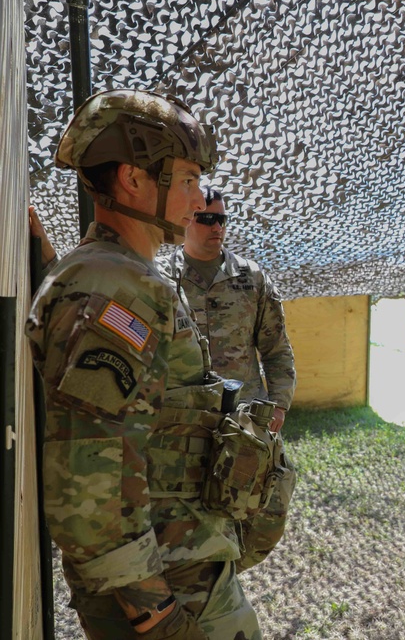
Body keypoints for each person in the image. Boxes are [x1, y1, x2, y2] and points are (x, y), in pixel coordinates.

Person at [26, 89, 262, 639]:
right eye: (184, 179)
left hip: (178, 566)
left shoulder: (118, 276)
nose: (199, 196)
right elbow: (87, 467)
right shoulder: (116, 287)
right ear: (132, 180)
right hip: (167, 586)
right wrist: (156, 616)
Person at [158, 185, 297, 571]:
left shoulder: (251, 278)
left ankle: (230, 579)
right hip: (186, 428)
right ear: (188, 220)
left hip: (245, 425)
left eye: (221, 219)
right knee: (192, 521)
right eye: (206, 218)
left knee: (264, 512)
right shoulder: (162, 278)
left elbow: (277, 349)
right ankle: (207, 588)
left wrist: (280, 404)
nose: (216, 226)